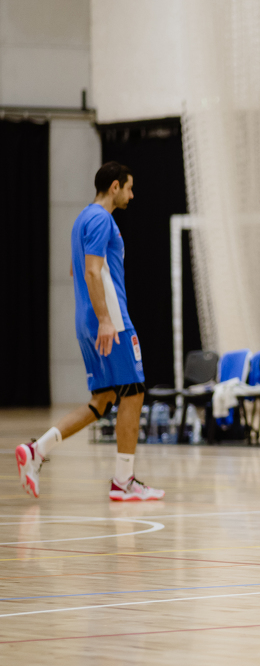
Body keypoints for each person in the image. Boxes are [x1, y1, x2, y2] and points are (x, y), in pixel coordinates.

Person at [16, 162, 165, 501]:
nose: (132, 195)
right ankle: (124, 481)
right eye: (129, 187)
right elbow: (92, 272)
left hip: (86, 320)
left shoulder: (81, 219)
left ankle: (37, 449)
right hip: (110, 321)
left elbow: (75, 268)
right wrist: (107, 319)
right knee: (134, 393)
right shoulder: (101, 219)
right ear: (114, 186)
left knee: (103, 400)